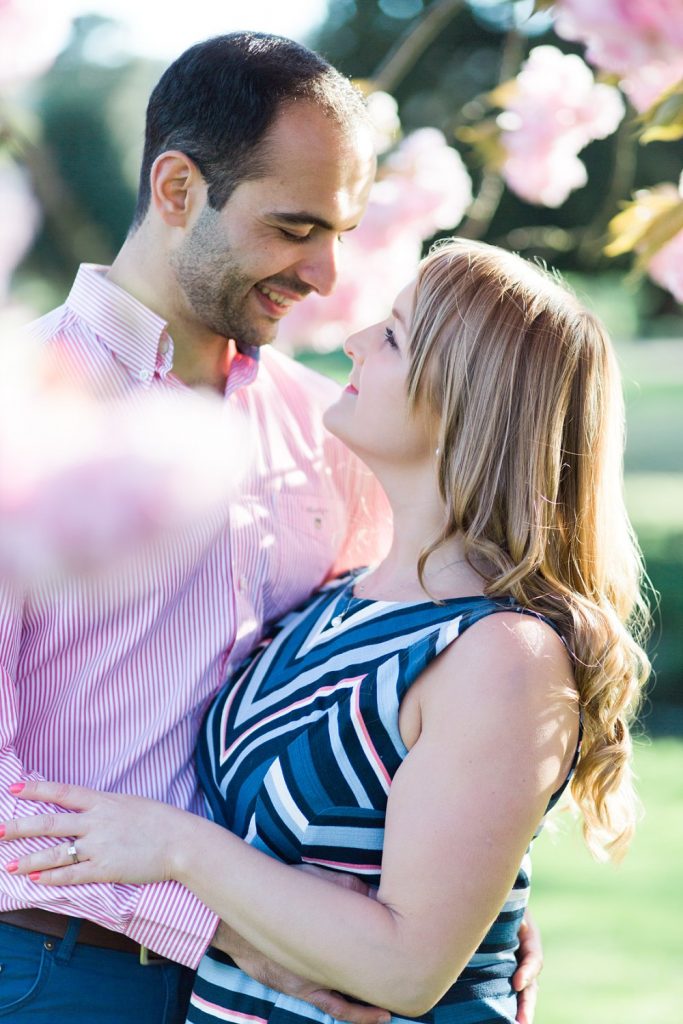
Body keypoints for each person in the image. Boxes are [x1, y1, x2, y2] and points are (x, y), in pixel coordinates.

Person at [0, 33, 542, 1024]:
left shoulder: (328, 429)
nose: (328, 275)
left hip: (267, 987)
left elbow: (380, 684)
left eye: (338, 230)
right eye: (294, 226)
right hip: (54, 972)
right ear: (175, 189)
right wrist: (214, 923)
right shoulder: (16, 421)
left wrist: (470, 895)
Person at [1, 239, 650, 1024]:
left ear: (462, 408)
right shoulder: (336, 600)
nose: (351, 337)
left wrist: (174, 844)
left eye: (394, 335)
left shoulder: (501, 657)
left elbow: (408, 972)